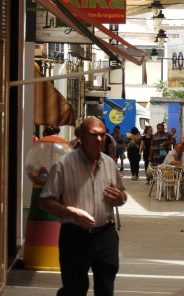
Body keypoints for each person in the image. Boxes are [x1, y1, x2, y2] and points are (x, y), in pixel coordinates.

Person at [39, 117, 127, 296]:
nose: (100, 140)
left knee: (105, 289)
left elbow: (121, 194)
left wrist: (121, 198)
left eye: (103, 135)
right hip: (75, 237)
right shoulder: (63, 165)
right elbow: (45, 201)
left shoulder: (109, 163)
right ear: (80, 136)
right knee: (75, 290)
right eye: (94, 135)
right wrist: (69, 211)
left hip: (106, 236)